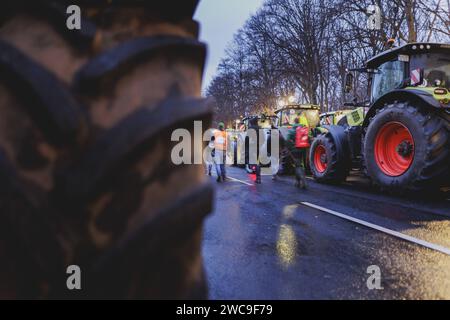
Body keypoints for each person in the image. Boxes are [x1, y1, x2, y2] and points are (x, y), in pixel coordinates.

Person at [286, 115, 310, 189]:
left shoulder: (291, 130)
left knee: (298, 165)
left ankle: (303, 180)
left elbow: (287, 140)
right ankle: (297, 181)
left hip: (295, 150)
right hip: (304, 149)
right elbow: (308, 138)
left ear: (294, 122)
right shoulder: (303, 128)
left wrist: (290, 148)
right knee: (300, 165)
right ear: (299, 121)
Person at [246, 117, 262, 184]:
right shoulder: (260, 129)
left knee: (252, 161)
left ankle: (253, 170)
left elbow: (247, 139)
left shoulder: (250, 129)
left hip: (252, 147)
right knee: (257, 162)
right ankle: (258, 177)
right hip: (258, 147)